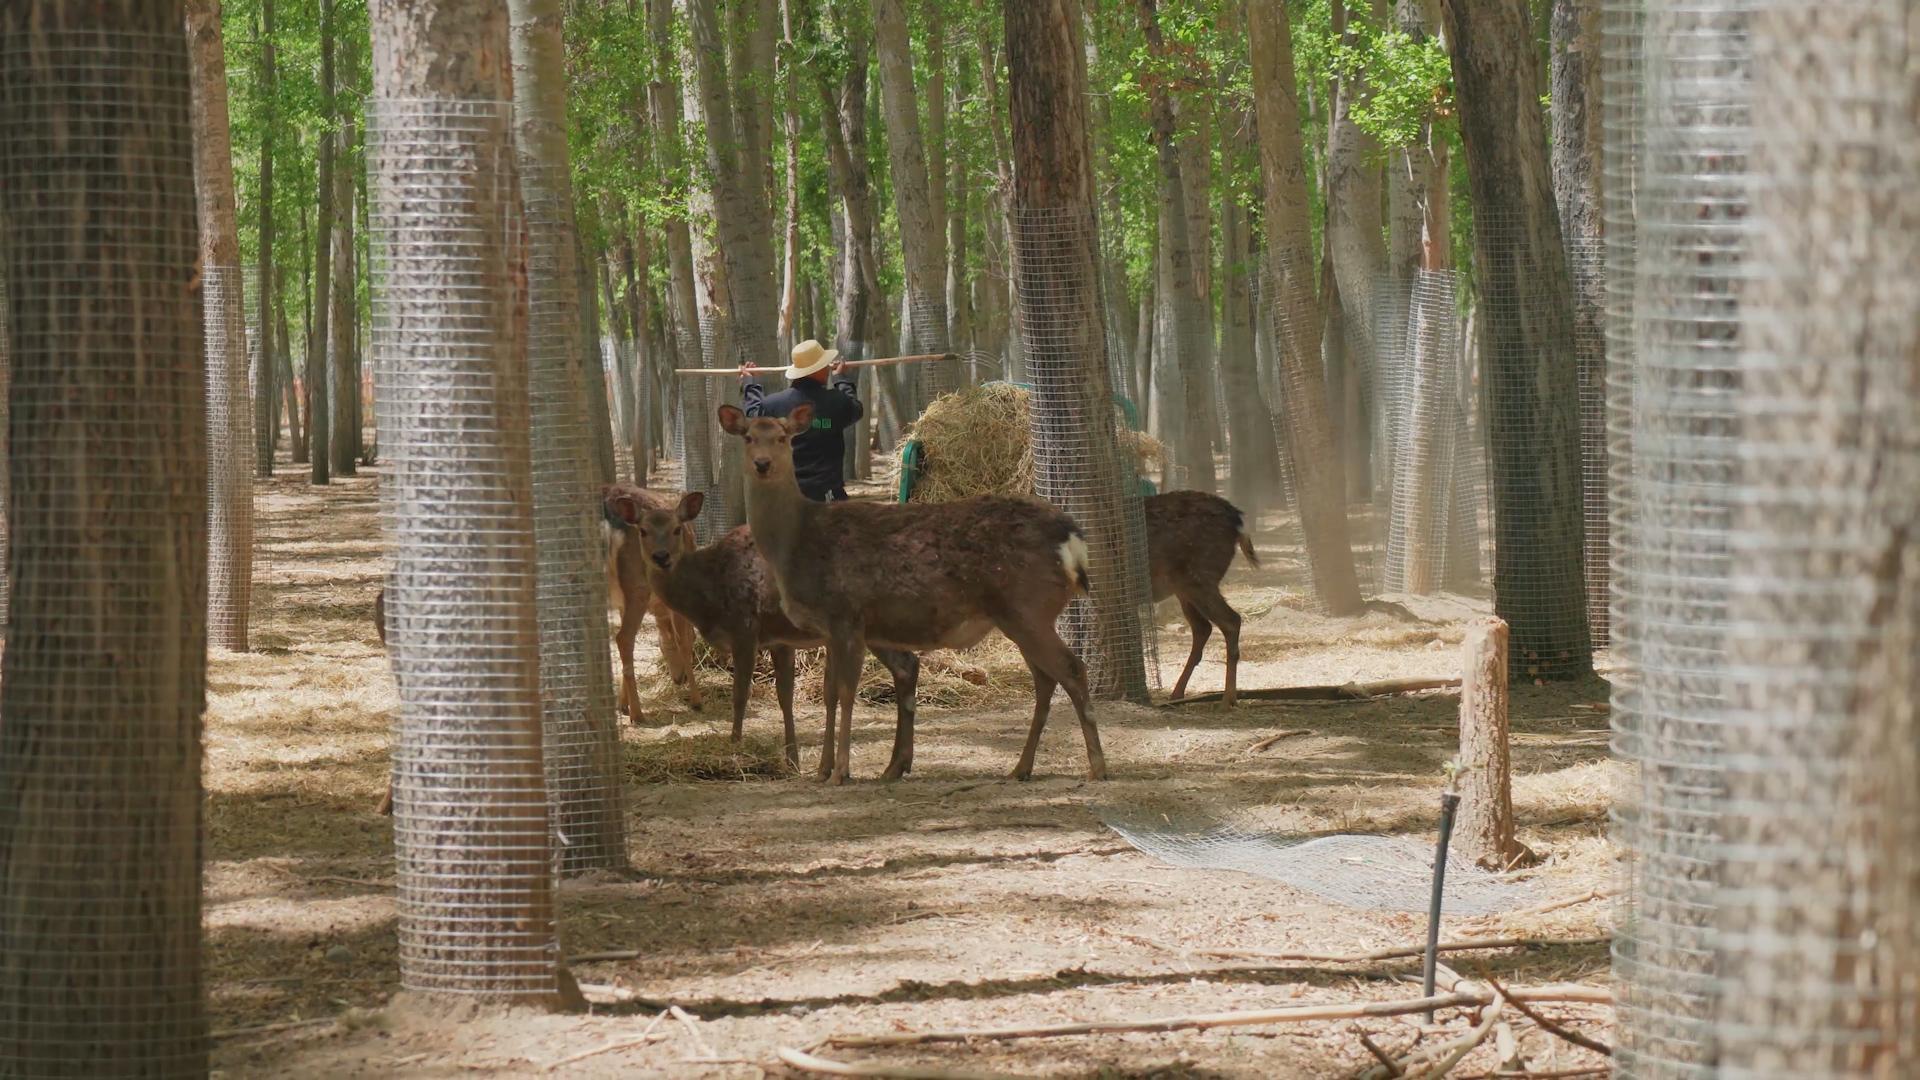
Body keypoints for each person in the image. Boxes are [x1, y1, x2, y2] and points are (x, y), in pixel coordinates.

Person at [740, 339, 863, 502]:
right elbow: (855, 408)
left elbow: (754, 412)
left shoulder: (773, 405)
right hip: (829, 499)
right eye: (825, 365)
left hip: (786, 500)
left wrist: (750, 383)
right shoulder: (836, 402)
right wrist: (841, 379)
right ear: (818, 369)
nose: (827, 369)